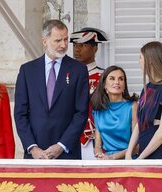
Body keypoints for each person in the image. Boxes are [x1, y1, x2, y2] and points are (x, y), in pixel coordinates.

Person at [14, 19, 89, 159]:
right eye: (58, 40)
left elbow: (81, 113)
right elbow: (20, 113)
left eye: (66, 40)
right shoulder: (27, 70)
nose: (64, 45)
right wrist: (32, 147)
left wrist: (62, 145)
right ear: (44, 41)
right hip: (35, 154)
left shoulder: (79, 70)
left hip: (67, 152)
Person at [70, 27, 107, 159]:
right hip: (69, 136)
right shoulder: (66, 75)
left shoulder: (105, 77)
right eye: (75, 45)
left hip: (96, 139)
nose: (77, 49)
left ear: (95, 48)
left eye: (83, 45)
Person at [91, 65, 138, 159]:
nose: (117, 82)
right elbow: (97, 146)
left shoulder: (132, 107)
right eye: (112, 79)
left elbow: (137, 146)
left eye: (121, 79)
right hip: (107, 160)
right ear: (104, 84)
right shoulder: (98, 110)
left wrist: (113, 157)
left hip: (129, 160)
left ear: (124, 84)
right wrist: (100, 155)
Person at [126, 41, 162, 159]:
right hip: (144, 153)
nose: (139, 62)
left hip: (157, 155)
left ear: (150, 60)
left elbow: (161, 133)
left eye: (140, 57)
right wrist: (129, 152)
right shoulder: (147, 88)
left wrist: (141, 158)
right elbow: (140, 123)